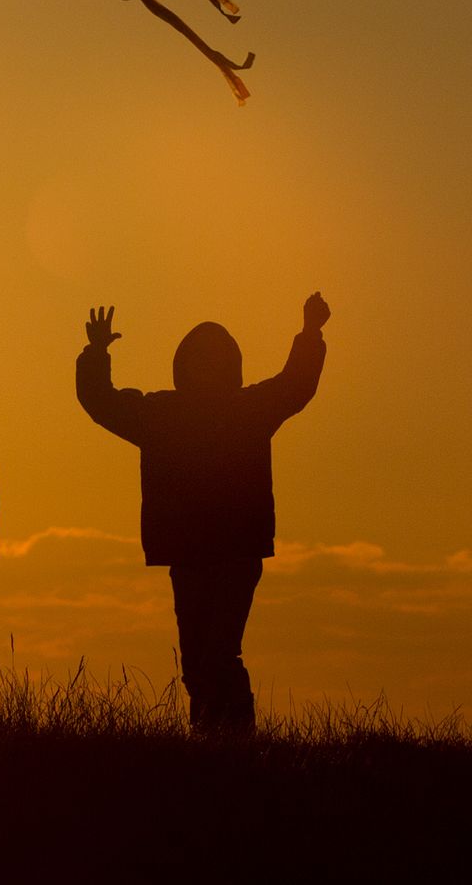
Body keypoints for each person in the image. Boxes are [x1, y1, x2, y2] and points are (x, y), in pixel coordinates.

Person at [76, 293, 330, 733]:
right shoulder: (162, 415)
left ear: (231, 366)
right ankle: (211, 740)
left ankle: (235, 739)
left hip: (236, 554)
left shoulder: (248, 410)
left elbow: (296, 384)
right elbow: (103, 402)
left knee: (219, 651)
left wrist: (310, 333)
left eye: (215, 361)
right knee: (196, 659)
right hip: (189, 554)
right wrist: (96, 352)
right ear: (183, 366)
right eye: (198, 360)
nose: (206, 369)